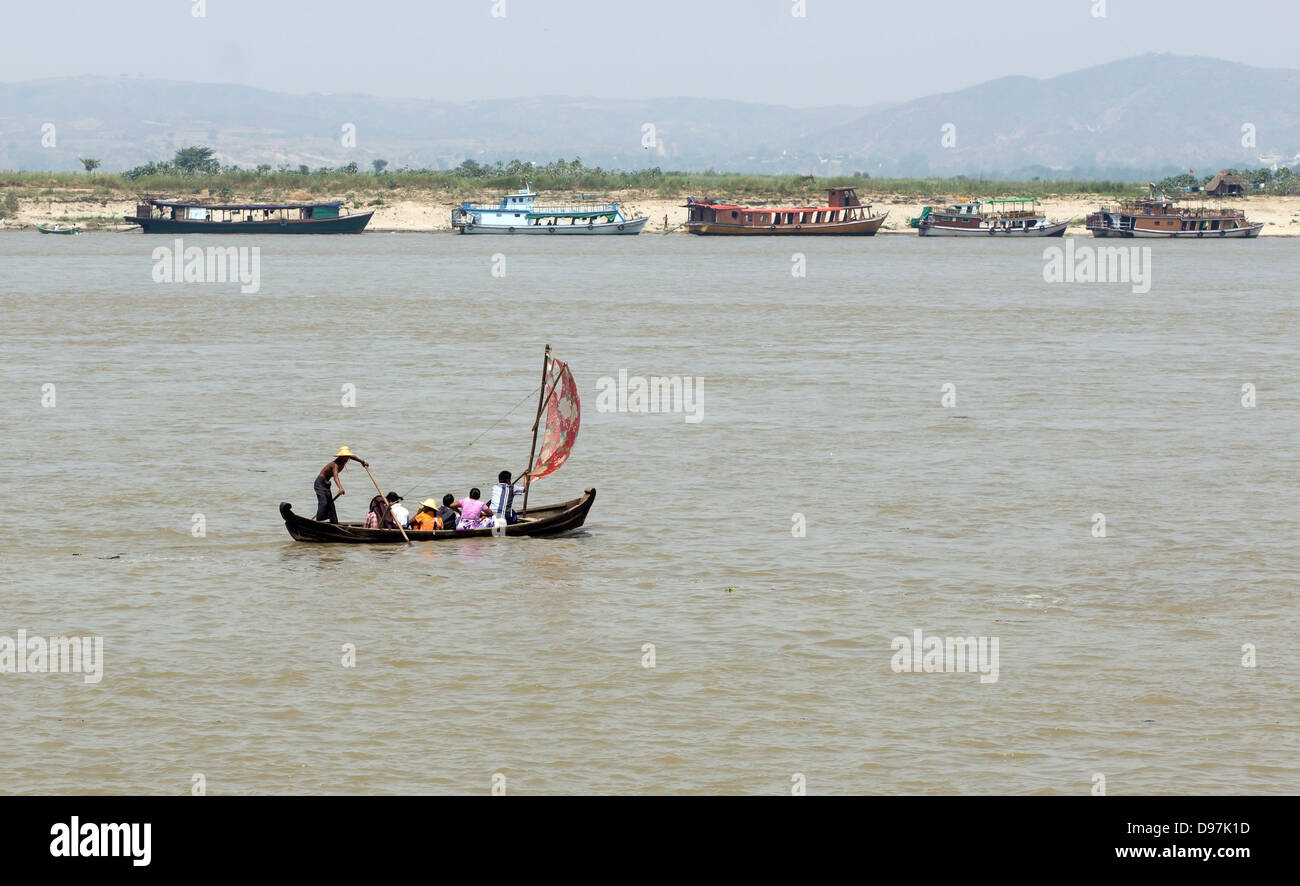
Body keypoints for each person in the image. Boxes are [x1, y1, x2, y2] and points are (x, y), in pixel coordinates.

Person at [314, 446, 368, 523]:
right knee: (324, 503)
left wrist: (362, 462)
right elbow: (335, 477)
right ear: (340, 456)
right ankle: (318, 522)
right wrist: (340, 488)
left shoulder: (346, 459)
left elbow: (353, 457)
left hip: (326, 484)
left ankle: (334, 523)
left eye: (347, 457)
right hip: (320, 483)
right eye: (344, 457)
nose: (346, 459)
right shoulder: (335, 465)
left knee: (331, 505)